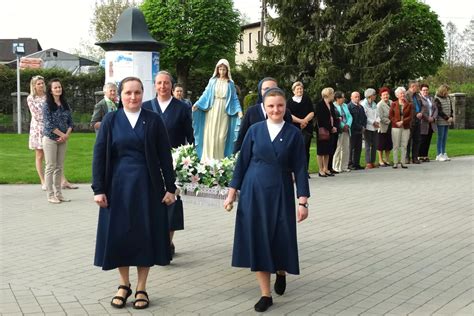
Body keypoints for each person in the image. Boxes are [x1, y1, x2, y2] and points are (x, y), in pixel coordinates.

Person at [92, 77, 176, 310]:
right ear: (120, 95)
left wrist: (170, 187)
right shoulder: (110, 120)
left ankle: (141, 287)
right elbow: (99, 156)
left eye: (137, 92)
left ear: (142, 94)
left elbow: (164, 157)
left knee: (144, 236)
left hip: (147, 188)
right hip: (117, 188)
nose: (133, 97)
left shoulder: (154, 120)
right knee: (120, 236)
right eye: (128, 93)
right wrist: (98, 189)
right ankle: (123, 284)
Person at [223, 87, 309, 313]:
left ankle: (281, 270)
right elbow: (242, 164)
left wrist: (302, 201)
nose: (275, 110)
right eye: (271, 106)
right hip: (253, 192)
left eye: (280, 105)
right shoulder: (254, 130)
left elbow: (300, 169)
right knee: (260, 239)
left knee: (279, 236)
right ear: (264, 107)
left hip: (280, 191)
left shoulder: (293, 134)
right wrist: (231, 194)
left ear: (285, 107)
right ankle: (265, 293)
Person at [142, 71, 194, 256]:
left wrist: (190, 157)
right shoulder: (146, 106)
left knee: (171, 202)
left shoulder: (181, 107)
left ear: (172, 85)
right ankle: (154, 240)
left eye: (166, 83)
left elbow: (190, 135)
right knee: (152, 202)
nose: (163, 86)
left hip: (174, 162)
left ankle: (167, 242)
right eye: (159, 83)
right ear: (154, 85)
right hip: (149, 162)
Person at [27, 76, 78, 191]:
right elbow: (37, 115)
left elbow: (64, 115)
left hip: (55, 127)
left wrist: (61, 130)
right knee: (40, 155)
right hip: (39, 128)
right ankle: (43, 181)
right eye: (38, 83)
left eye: (42, 83)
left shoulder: (48, 97)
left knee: (57, 157)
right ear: (34, 85)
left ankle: (63, 180)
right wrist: (50, 120)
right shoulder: (31, 98)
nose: (41, 85)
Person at [192, 59, 243, 160]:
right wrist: (197, 104)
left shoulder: (230, 83)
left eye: (224, 69)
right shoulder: (213, 81)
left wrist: (239, 110)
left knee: (221, 136)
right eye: (220, 69)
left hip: (224, 110)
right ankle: (208, 159)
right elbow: (206, 94)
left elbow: (234, 98)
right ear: (217, 69)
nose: (222, 71)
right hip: (212, 109)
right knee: (210, 134)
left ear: (227, 70)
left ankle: (220, 159)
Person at [234, 77, 292, 153]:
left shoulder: (285, 112)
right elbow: (242, 135)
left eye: (274, 88)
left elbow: (290, 136)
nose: (270, 91)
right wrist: (235, 156)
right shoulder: (251, 112)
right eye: (266, 89)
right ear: (260, 91)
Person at [42, 78, 74, 203]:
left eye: (59, 87)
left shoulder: (65, 104)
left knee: (59, 167)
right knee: (50, 166)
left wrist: (66, 135)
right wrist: (62, 135)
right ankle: (50, 195)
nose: (58, 89)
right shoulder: (46, 105)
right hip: (50, 139)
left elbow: (71, 122)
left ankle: (59, 194)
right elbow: (48, 124)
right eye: (55, 87)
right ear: (50, 90)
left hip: (63, 139)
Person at [286, 81, 314, 177]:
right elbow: (289, 114)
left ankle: (305, 170)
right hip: (295, 128)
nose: (300, 90)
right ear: (293, 91)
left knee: (306, 150)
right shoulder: (289, 101)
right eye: (297, 89)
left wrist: (305, 121)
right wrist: (300, 121)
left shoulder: (307, 99)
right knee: (295, 150)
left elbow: (312, 112)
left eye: (301, 88)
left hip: (307, 128)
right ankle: (296, 171)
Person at [315, 87, 338, 177]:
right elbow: (321, 119)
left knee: (328, 150)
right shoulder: (320, 104)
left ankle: (326, 168)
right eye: (332, 93)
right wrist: (330, 127)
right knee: (321, 151)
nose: (333, 95)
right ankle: (320, 170)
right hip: (322, 130)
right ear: (328, 94)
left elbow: (334, 116)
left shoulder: (331, 104)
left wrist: (334, 127)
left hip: (331, 130)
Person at [389, 87, 413, 169]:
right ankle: (395, 162)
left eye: (403, 93)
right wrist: (396, 122)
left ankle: (403, 162)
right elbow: (391, 116)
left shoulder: (409, 104)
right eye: (400, 93)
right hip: (396, 127)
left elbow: (410, 116)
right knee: (395, 145)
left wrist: (403, 122)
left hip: (405, 127)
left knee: (404, 145)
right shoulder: (394, 104)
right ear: (397, 95)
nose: (402, 95)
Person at [332, 91, 352, 173]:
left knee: (346, 148)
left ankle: (344, 166)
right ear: (337, 99)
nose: (344, 99)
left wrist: (348, 124)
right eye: (342, 97)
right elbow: (336, 118)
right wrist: (343, 126)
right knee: (338, 148)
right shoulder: (333, 106)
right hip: (340, 129)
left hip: (347, 129)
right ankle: (335, 166)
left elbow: (350, 116)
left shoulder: (345, 105)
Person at [434, 84, 454, 162]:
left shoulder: (448, 98)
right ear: (443, 91)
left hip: (447, 121)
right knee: (440, 137)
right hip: (441, 121)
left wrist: (451, 116)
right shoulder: (437, 99)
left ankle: (443, 152)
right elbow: (439, 111)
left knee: (445, 138)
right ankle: (439, 154)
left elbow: (451, 108)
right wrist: (447, 118)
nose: (448, 92)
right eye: (447, 91)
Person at [418, 84, 438, 162]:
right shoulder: (420, 99)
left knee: (428, 139)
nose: (425, 91)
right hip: (423, 122)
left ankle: (425, 155)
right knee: (422, 139)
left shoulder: (431, 98)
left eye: (426, 90)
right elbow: (421, 110)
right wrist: (427, 118)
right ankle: (420, 156)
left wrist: (433, 117)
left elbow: (435, 109)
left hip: (431, 122)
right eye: (424, 90)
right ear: (420, 91)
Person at [361, 88, 380, 169]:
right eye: (374, 95)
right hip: (368, 127)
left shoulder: (374, 104)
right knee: (368, 145)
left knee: (375, 145)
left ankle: (373, 161)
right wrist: (373, 122)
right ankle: (368, 162)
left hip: (375, 127)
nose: (375, 96)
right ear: (370, 96)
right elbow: (365, 116)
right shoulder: (363, 104)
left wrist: (377, 121)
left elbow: (378, 115)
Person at [348, 91, 367, 170]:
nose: (357, 98)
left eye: (358, 96)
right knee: (351, 148)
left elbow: (364, 118)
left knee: (358, 148)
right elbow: (352, 120)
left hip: (360, 131)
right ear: (351, 98)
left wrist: (364, 126)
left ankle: (356, 163)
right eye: (355, 97)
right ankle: (350, 164)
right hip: (353, 130)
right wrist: (360, 127)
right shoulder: (349, 107)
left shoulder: (361, 107)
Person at [405, 81, 423, 164]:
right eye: (417, 86)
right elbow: (408, 108)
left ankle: (415, 157)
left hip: (418, 120)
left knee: (417, 139)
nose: (418, 88)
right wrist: (416, 114)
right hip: (410, 120)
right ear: (412, 87)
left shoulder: (417, 95)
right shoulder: (406, 95)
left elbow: (422, 105)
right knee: (408, 139)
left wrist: (421, 113)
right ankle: (407, 157)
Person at [376, 87, 393, 167]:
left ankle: (387, 159)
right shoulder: (379, 105)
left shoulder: (391, 102)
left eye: (387, 94)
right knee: (381, 144)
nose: (386, 96)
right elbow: (381, 117)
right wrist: (391, 121)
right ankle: (380, 160)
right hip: (383, 126)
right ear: (381, 96)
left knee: (388, 144)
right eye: (384, 95)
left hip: (391, 127)